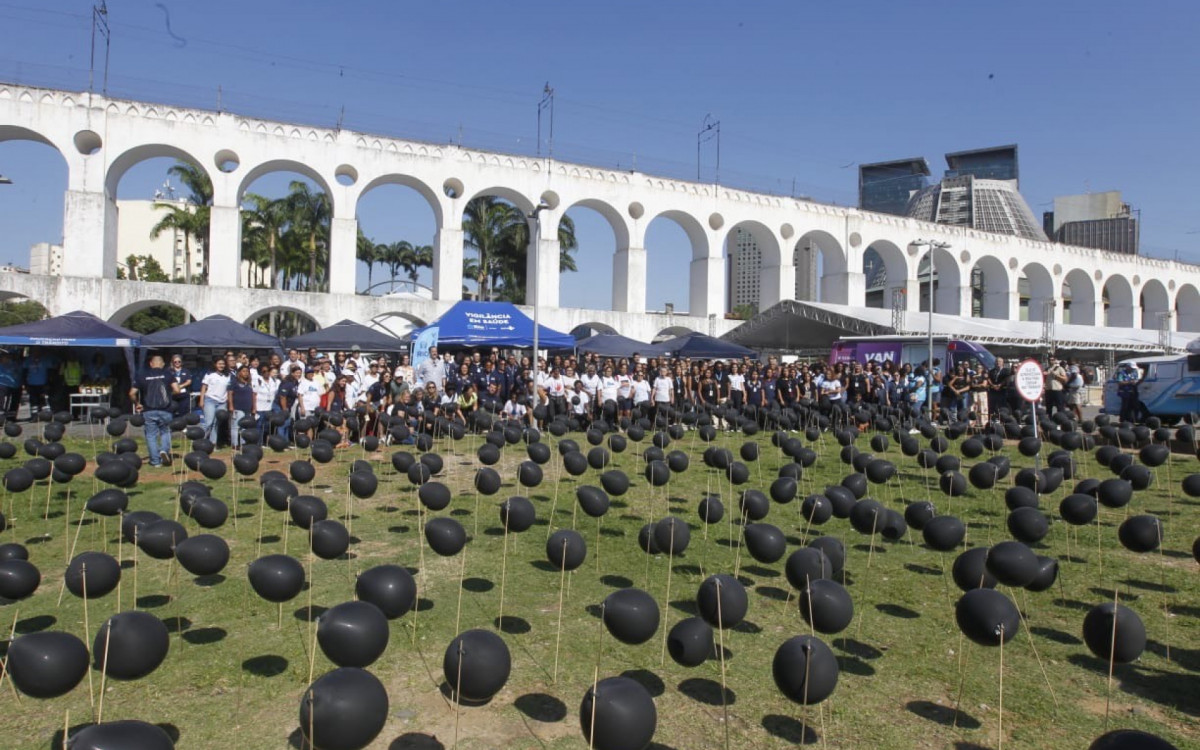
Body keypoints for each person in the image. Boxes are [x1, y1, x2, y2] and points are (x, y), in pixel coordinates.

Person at [129, 353, 178, 467]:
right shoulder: (168, 374)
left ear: (151, 364)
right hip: (166, 409)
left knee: (151, 436)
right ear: (163, 364)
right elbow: (177, 389)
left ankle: (155, 462)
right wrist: (168, 395)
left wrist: (137, 403)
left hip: (148, 409)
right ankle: (164, 451)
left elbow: (131, 393)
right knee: (165, 432)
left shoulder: (142, 376)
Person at [199, 357, 231, 444]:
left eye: (223, 364)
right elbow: (203, 387)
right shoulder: (209, 374)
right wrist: (201, 400)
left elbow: (228, 389)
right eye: (219, 364)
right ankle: (200, 441)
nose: (221, 366)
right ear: (215, 364)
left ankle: (212, 443)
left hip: (222, 402)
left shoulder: (227, 375)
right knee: (209, 422)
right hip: (210, 400)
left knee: (216, 424)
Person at [227, 365, 255, 449]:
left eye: (247, 371)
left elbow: (253, 396)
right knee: (235, 427)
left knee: (245, 427)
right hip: (237, 408)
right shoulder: (234, 382)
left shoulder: (249, 383)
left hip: (247, 409)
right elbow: (230, 393)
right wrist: (231, 406)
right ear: (239, 373)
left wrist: (253, 408)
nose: (246, 373)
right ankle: (234, 444)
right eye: (244, 371)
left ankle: (243, 444)